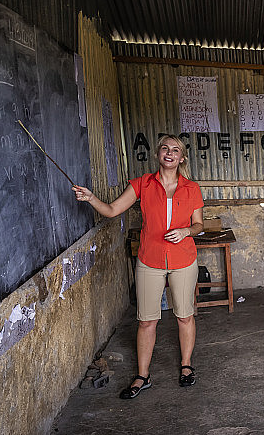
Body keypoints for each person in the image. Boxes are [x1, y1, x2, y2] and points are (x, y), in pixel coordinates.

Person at [73, 135, 204, 399]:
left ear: (182, 158)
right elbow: (111, 210)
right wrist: (91, 198)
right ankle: (143, 376)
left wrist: (186, 231)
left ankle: (186, 365)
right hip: (150, 260)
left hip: (183, 260)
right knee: (146, 321)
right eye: (165, 148)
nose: (169, 153)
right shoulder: (142, 184)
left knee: (184, 316)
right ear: (158, 154)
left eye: (175, 150)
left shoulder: (191, 188)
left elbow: (199, 225)